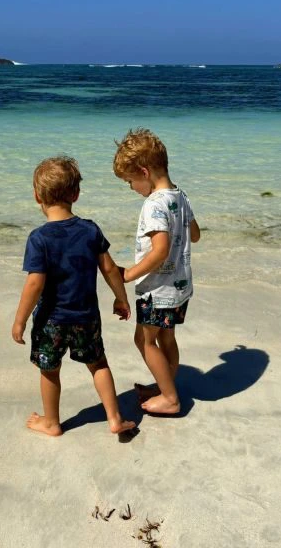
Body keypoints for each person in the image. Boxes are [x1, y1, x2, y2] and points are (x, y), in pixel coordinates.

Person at [11, 156, 137, 437]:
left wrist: (19, 320)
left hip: (51, 321)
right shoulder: (90, 230)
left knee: (50, 371)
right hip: (86, 317)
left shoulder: (39, 238)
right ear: (76, 194)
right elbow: (109, 269)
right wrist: (121, 298)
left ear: (36, 196)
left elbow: (34, 283)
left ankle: (52, 422)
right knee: (98, 364)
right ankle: (114, 417)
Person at [113, 128, 201, 415]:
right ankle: (166, 385)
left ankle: (171, 399)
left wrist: (128, 274)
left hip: (158, 290)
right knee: (167, 338)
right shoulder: (180, 195)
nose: (131, 188)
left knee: (144, 340)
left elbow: (160, 250)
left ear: (144, 171)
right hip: (179, 287)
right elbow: (196, 234)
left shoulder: (153, 204)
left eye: (130, 181)